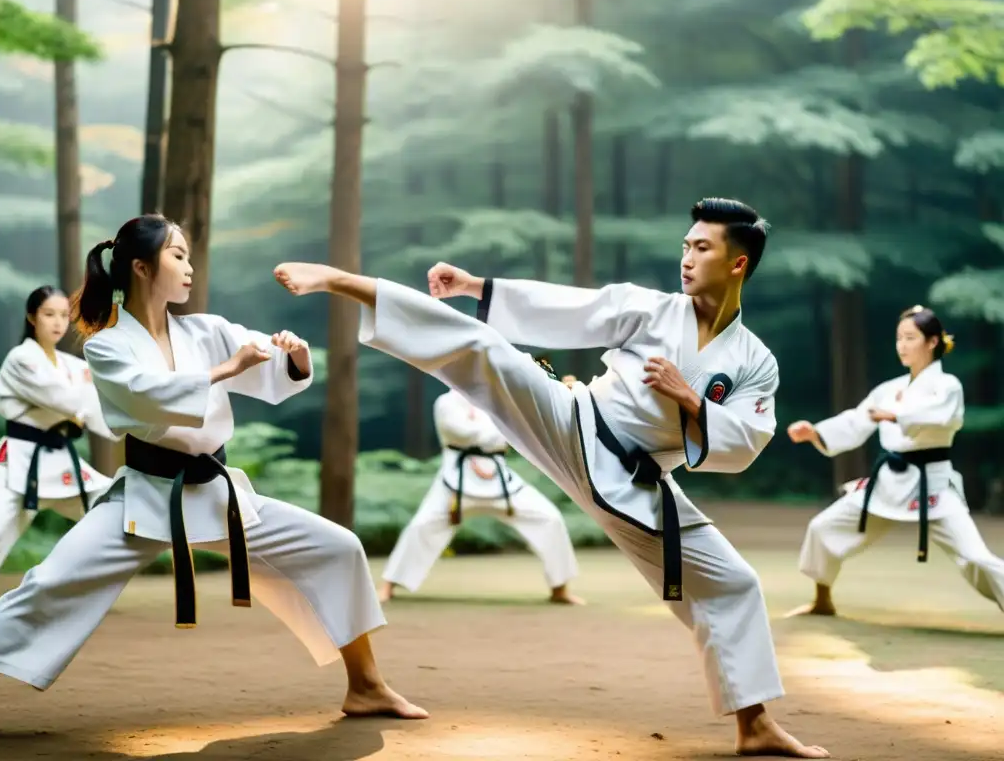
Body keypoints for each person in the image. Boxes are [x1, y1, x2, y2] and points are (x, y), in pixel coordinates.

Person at [273, 198, 829, 758]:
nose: (686, 257)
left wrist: (688, 398)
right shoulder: (653, 309)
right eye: (685, 244)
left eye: (701, 248)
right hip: (574, 422)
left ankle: (754, 725)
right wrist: (474, 287)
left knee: (734, 582)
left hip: (638, 486)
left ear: (737, 264)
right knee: (482, 347)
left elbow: (745, 444)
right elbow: (572, 309)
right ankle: (343, 281)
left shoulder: (755, 361)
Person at [0, 215, 427, 720]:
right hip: (146, 497)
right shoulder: (107, 345)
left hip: (220, 495)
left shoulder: (205, 330)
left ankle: (365, 685)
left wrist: (292, 357)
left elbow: (264, 363)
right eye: (178, 256)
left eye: (188, 256)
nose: (189, 268)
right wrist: (227, 368)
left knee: (339, 547)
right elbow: (148, 397)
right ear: (141, 267)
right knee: (50, 583)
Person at [787, 305, 1004, 616]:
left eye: (910, 338)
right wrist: (815, 432)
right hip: (888, 482)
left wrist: (897, 415)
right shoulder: (889, 389)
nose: (902, 345)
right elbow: (856, 421)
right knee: (823, 528)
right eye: (899, 338)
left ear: (932, 342)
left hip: (933, 485)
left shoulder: (948, 386)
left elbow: (942, 417)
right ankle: (822, 600)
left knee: (975, 557)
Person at [379, 386, 583, 605]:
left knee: (549, 518)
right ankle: (388, 585)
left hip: (500, 478)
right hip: (456, 480)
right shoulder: (446, 402)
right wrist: (501, 428)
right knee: (421, 526)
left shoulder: (497, 398)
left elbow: (514, 432)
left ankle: (560, 588)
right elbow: (463, 433)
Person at [0, 286, 118, 598]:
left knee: (115, 505)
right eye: (48, 314)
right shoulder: (21, 358)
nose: (57, 323)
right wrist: (79, 408)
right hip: (20, 463)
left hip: (60, 463)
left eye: (62, 316)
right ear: (32, 317)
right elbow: (63, 398)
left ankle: (80, 587)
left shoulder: (73, 366)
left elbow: (99, 401)